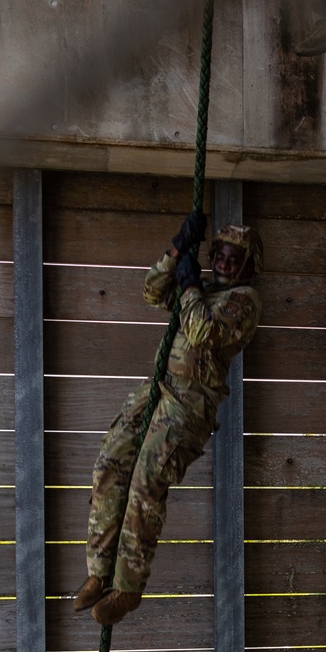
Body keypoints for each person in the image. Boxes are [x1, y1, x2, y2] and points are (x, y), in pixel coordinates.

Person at [72, 217, 264, 625]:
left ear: (249, 266)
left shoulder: (245, 301)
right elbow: (151, 290)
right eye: (221, 256)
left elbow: (200, 331)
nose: (226, 264)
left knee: (146, 483)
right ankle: (98, 570)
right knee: (109, 464)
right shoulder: (203, 288)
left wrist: (191, 285)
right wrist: (177, 250)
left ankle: (127, 587)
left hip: (188, 405)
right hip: (157, 390)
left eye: (235, 258)